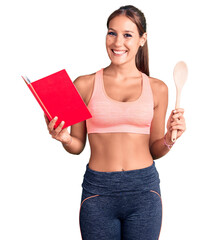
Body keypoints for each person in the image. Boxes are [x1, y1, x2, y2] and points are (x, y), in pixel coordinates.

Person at [44, 5, 186, 240]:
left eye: (127, 35)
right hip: (98, 192)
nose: (118, 42)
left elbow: (155, 149)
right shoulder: (83, 84)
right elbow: (77, 146)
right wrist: (65, 138)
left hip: (144, 191)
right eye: (112, 33)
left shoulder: (158, 88)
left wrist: (171, 139)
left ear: (142, 39)